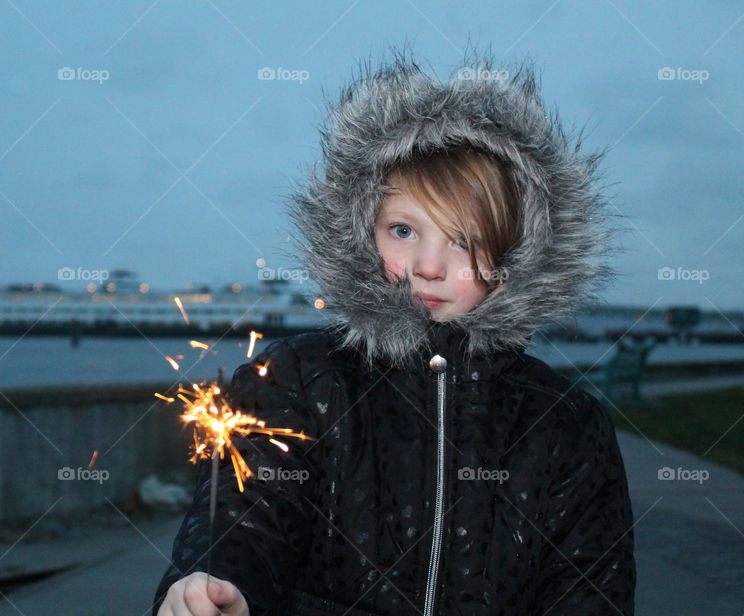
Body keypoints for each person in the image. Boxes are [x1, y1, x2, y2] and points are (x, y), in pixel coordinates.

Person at [152, 46, 635, 616]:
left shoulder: (566, 423)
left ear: (515, 257)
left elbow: (589, 585)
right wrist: (213, 580)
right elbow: (250, 510)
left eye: (465, 240)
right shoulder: (299, 381)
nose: (428, 266)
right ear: (363, 234)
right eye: (403, 230)